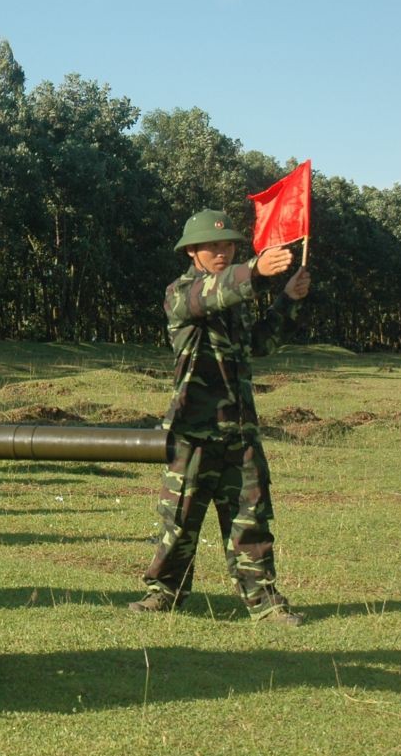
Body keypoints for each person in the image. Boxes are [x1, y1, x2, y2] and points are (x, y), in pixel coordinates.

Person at [131, 209, 311, 625]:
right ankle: (164, 593)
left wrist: (289, 301)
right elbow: (210, 295)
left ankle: (264, 602)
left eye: (229, 245)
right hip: (193, 432)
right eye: (214, 246)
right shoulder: (179, 292)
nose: (222, 251)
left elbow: (260, 344)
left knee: (251, 520)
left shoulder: (236, 299)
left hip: (240, 431)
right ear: (192, 250)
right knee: (178, 521)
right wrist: (255, 271)